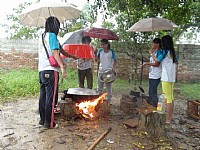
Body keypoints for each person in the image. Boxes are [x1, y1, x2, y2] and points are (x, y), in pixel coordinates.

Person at [38, 16, 77, 129]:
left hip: (42, 71)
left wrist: (73, 56)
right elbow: (55, 52)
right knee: (51, 98)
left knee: (43, 96)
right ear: (55, 26)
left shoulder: (42, 37)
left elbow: (61, 50)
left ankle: (42, 120)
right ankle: (49, 123)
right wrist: (62, 67)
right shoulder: (52, 35)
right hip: (51, 71)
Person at [143, 38, 165, 107]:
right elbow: (153, 62)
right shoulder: (155, 52)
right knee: (151, 92)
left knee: (152, 92)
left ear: (157, 44)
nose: (152, 44)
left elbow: (157, 64)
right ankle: (152, 106)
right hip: (152, 74)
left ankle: (155, 106)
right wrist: (147, 64)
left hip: (156, 75)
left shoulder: (160, 52)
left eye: (153, 43)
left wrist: (148, 62)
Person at [161, 35, 177, 124]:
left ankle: (168, 119)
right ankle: (170, 117)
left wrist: (151, 52)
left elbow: (157, 60)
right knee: (171, 97)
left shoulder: (164, 52)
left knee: (168, 98)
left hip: (166, 78)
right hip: (171, 78)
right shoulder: (172, 52)